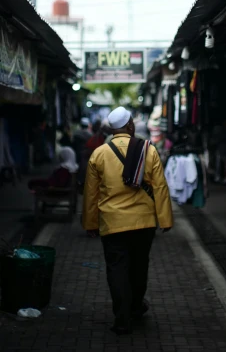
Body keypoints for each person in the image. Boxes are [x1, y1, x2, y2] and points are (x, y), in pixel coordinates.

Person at [82, 106, 173, 335]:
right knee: (139, 267)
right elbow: (159, 186)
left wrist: (91, 223)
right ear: (130, 125)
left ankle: (122, 318)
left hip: (112, 224)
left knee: (117, 270)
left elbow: (91, 194)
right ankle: (135, 307)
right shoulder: (147, 150)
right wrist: (165, 219)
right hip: (144, 223)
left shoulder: (99, 154)